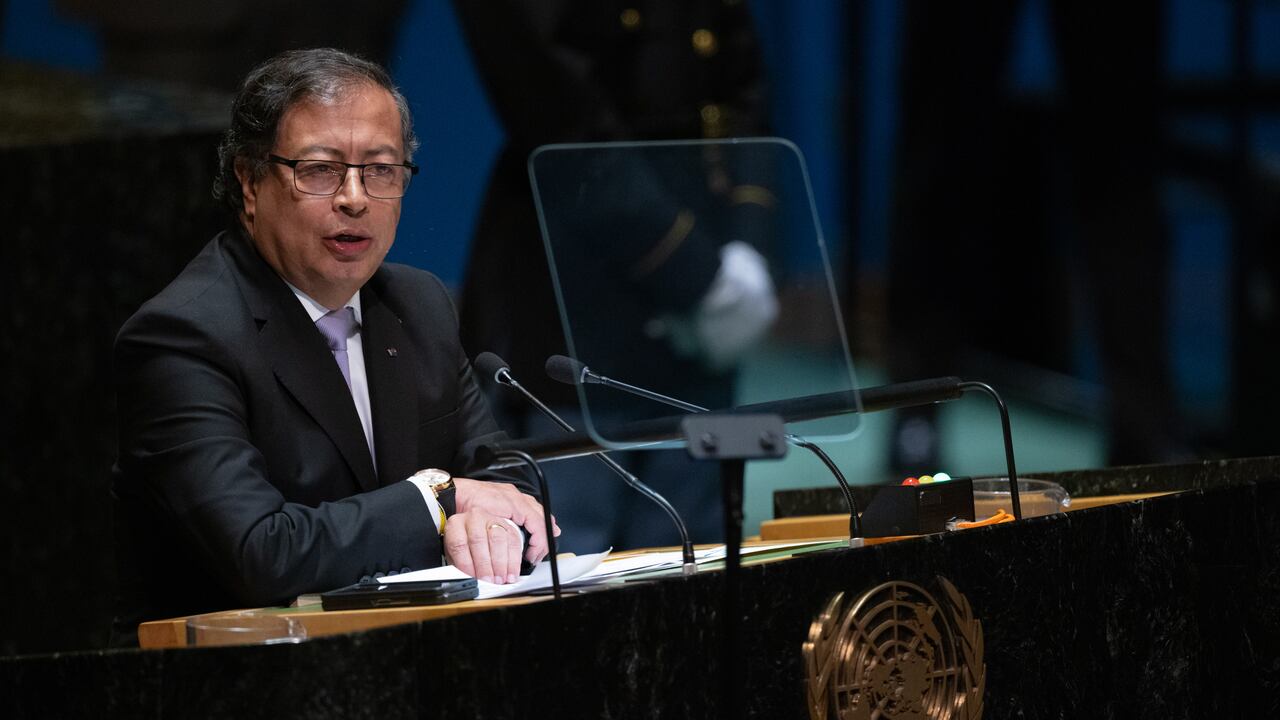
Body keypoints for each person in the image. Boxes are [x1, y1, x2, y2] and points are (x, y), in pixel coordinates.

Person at [110, 48, 557, 643]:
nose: (354, 198)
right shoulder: (184, 337)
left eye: (381, 170)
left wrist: (494, 514)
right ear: (249, 181)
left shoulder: (418, 306)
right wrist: (439, 501)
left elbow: (499, 472)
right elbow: (259, 553)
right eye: (320, 170)